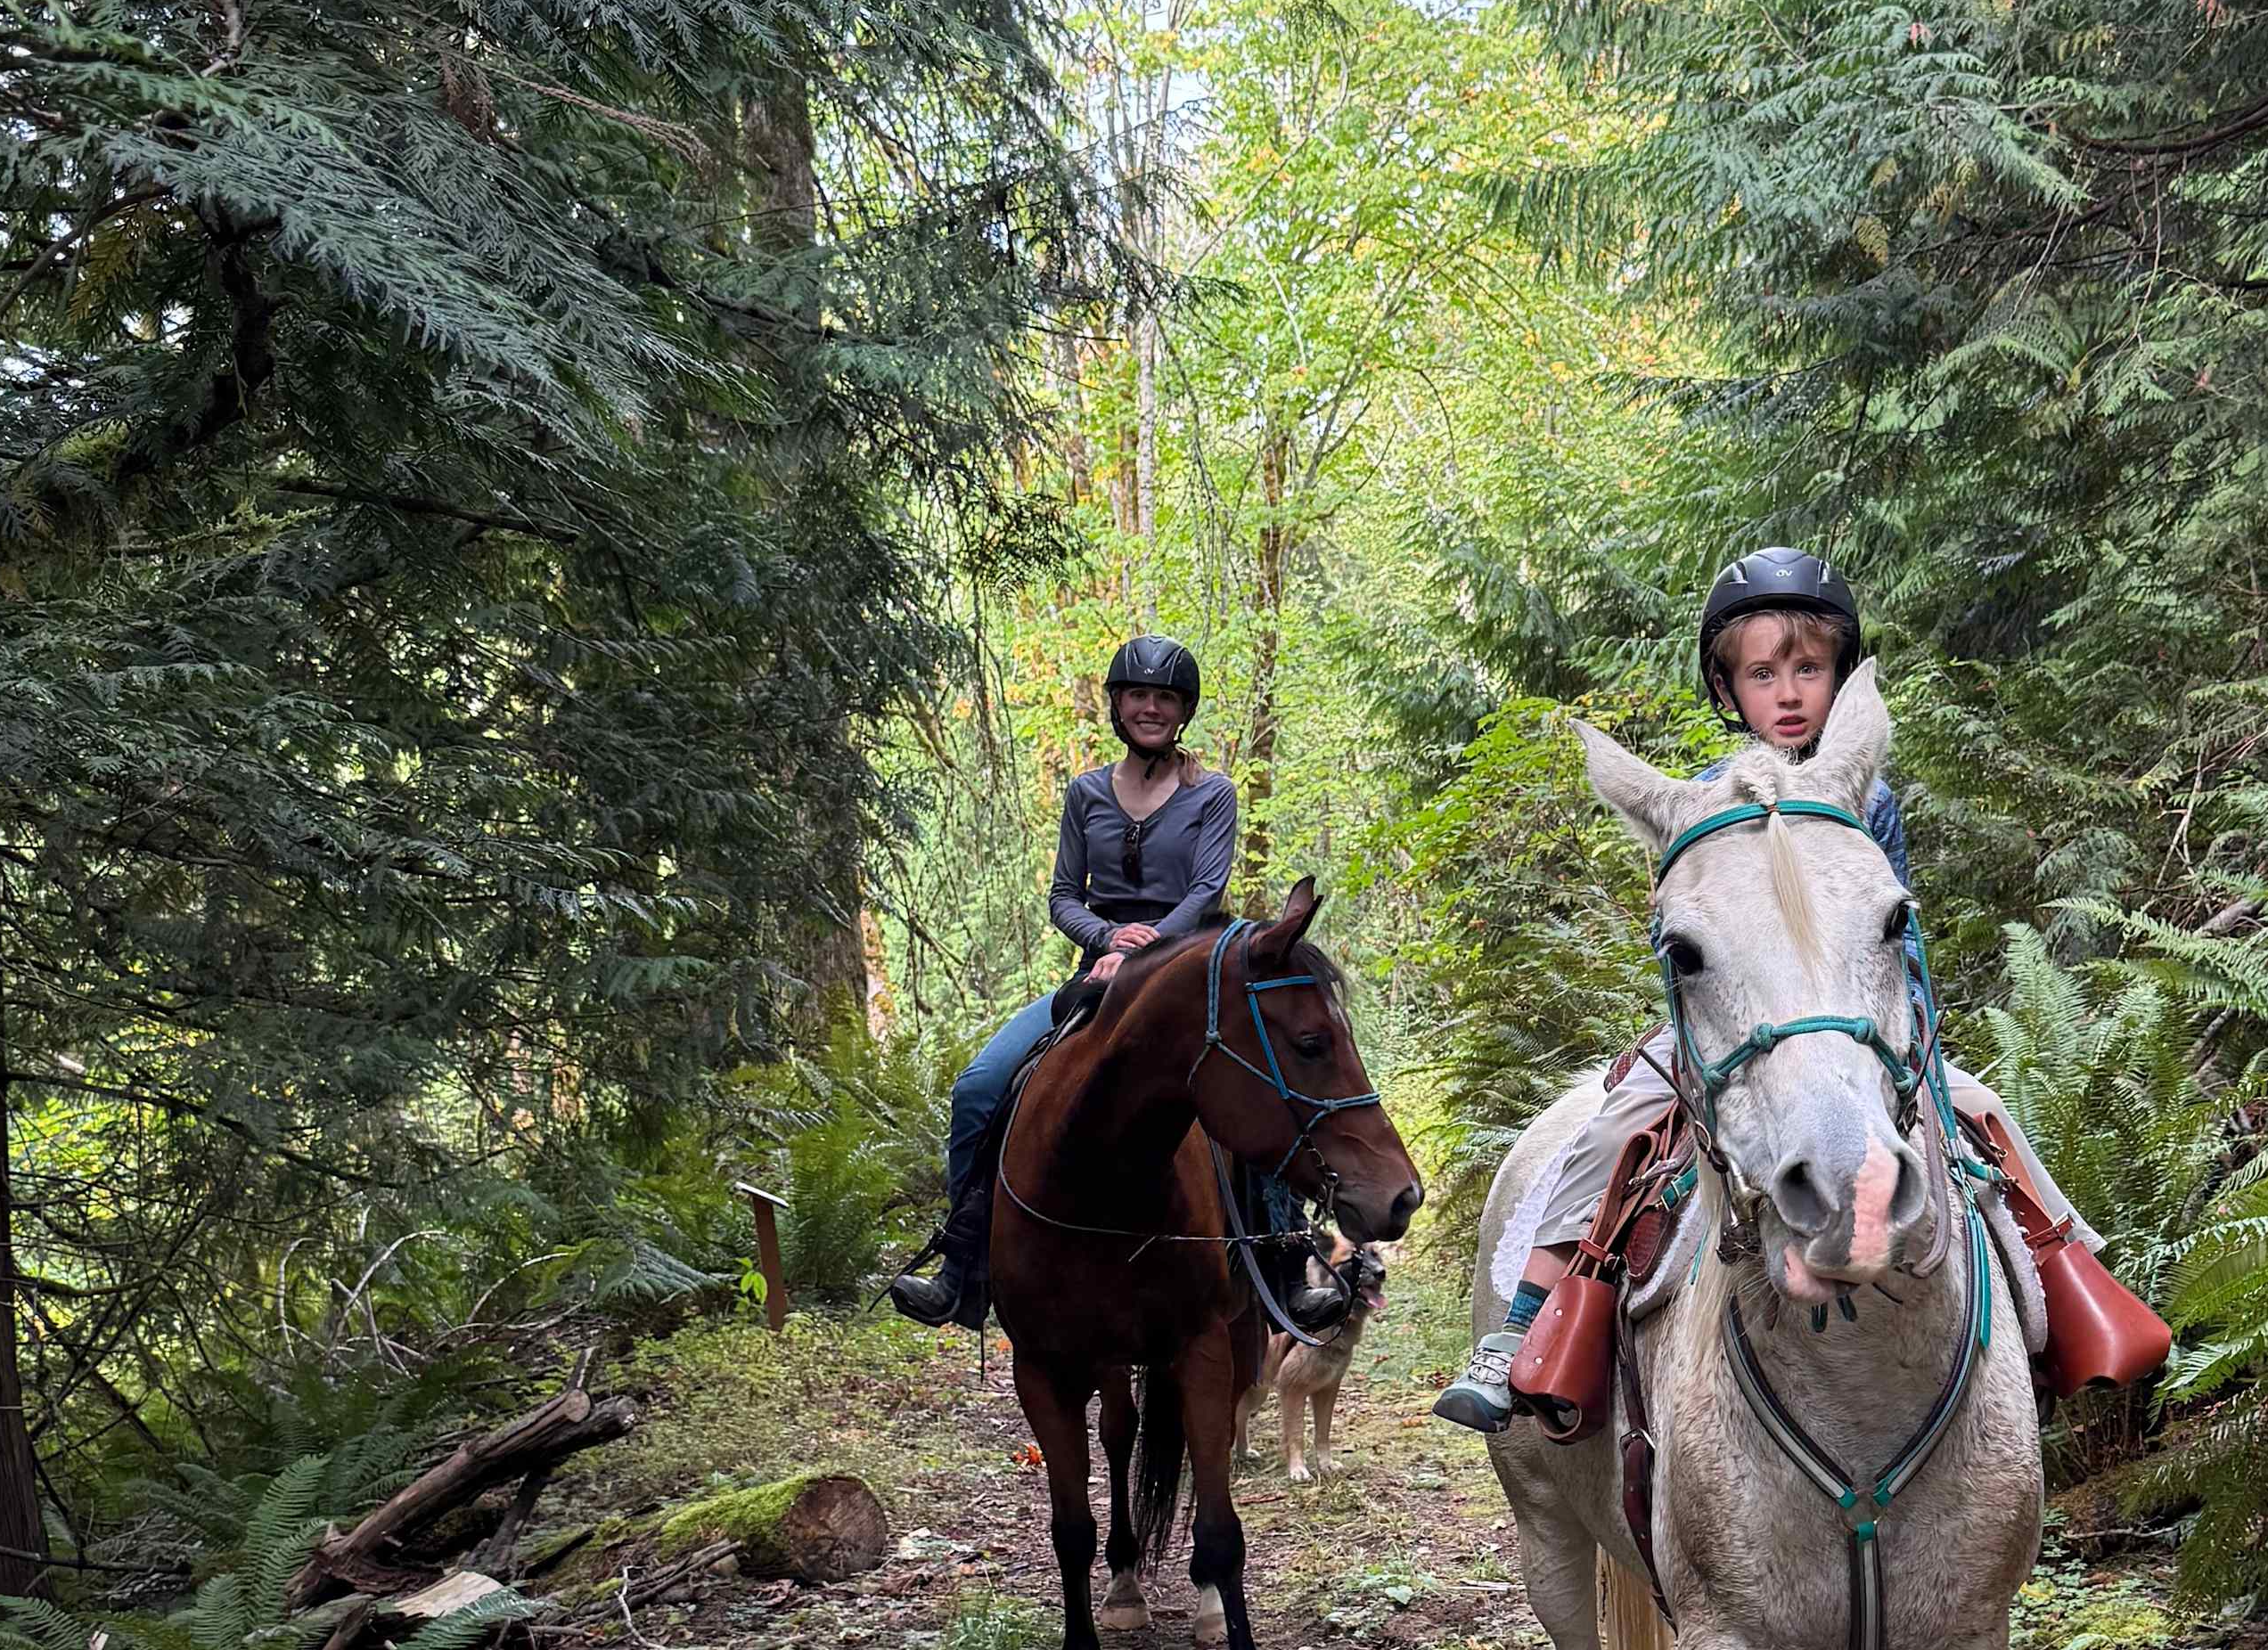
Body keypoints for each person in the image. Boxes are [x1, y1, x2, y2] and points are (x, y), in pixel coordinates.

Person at [1430, 548, 2157, 1433]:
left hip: (1859, 1024)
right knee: (1615, 1128)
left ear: (1838, 679)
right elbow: (1689, 949)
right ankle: (1524, 1324)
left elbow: (1894, 930)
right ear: (1730, 688)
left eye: (1808, 668)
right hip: (1737, 1031)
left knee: (1982, 1109)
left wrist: (1909, 1029)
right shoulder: (1700, 803)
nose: (1787, 691)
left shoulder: (1864, 794)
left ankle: (2069, 1285)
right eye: (1763, 671)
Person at [891, 630, 1298, 1335]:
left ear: (1183, 711)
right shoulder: (1086, 794)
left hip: (1190, 975)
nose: (1150, 708)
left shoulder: (1214, 794)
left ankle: (1285, 1265)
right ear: (1118, 706)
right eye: (1137, 695)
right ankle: (963, 1265)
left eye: (1164, 698)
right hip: (1097, 972)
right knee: (980, 1087)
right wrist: (1108, 941)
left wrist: (1146, 950)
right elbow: (1062, 897)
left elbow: (1205, 891)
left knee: (1261, 1086)